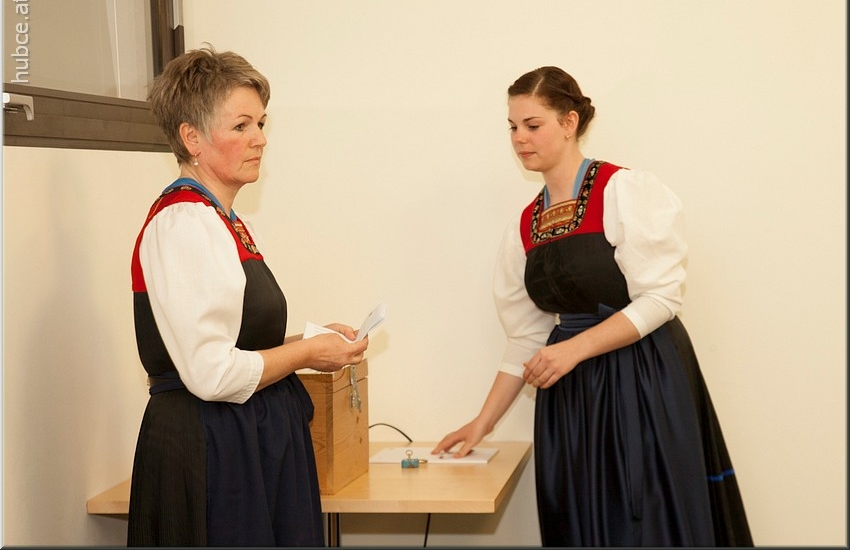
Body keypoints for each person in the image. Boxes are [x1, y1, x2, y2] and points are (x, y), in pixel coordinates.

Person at [433, 66, 753, 547]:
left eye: (532, 125)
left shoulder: (624, 191)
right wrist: (482, 423)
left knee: (644, 518)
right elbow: (526, 336)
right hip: (573, 398)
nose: (519, 138)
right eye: (513, 127)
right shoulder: (525, 224)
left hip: (640, 377)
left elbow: (660, 298)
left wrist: (573, 349)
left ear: (570, 122)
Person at [128, 47, 369, 547]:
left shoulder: (223, 219)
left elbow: (233, 341)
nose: (260, 138)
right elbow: (212, 373)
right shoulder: (184, 223)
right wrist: (307, 352)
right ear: (191, 138)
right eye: (241, 126)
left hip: (247, 436)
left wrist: (308, 342)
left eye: (261, 123)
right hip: (215, 447)